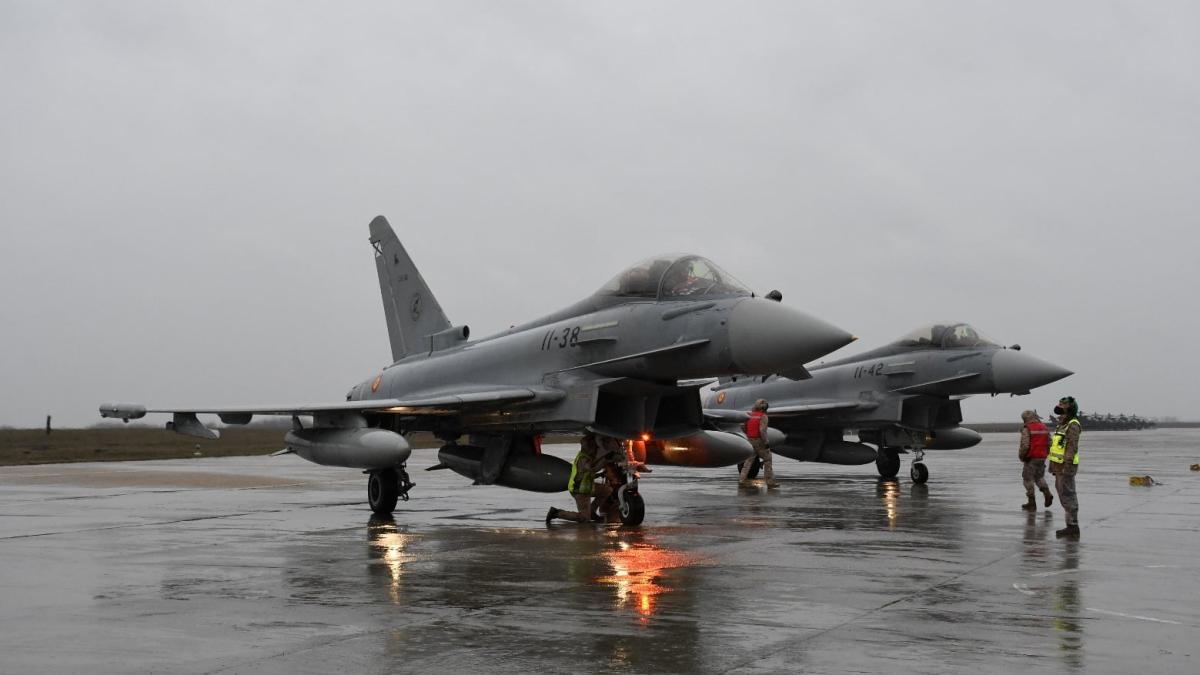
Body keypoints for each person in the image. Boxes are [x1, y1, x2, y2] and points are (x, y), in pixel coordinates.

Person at [547, 433, 612, 524]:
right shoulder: (583, 459)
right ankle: (556, 513)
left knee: (606, 490)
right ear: (589, 447)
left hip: (587, 487)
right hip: (580, 491)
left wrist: (600, 474)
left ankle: (592, 512)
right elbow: (592, 469)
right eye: (594, 447)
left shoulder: (586, 456)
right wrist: (604, 460)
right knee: (584, 518)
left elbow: (587, 474)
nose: (596, 449)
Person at [1048, 396, 1083, 539]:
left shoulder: (1073, 425)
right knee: (1063, 495)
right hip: (1058, 467)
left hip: (1065, 467)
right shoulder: (1062, 424)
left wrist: (1067, 467)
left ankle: (1073, 526)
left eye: (1063, 408)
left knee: (1068, 495)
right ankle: (1070, 525)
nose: (1060, 413)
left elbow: (1071, 447)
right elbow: (1057, 447)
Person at [1018, 410, 1054, 511]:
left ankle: (1031, 502)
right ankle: (1047, 493)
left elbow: (1025, 445)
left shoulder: (1027, 428)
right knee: (1039, 477)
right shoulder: (1044, 427)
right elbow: (1050, 443)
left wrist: (1022, 456)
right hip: (1042, 457)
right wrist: (1045, 454)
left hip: (1031, 458)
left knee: (1028, 479)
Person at [739, 399, 778, 488]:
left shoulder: (749, 415)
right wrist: (766, 442)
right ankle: (770, 482)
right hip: (760, 441)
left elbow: (742, 425)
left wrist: (747, 433)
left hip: (750, 440)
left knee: (748, 461)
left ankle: (741, 480)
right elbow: (762, 430)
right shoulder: (763, 416)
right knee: (768, 460)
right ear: (763, 408)